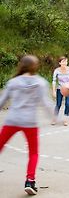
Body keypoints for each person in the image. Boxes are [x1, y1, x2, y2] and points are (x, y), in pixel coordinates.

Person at [0, 55, 54, 195]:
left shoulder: (13, 82)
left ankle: (30, 180)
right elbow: (45, 103)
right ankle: (30, 181)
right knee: (33, 153)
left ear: (21, 65)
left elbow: (2, 101)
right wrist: (56, 117)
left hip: (12, 120)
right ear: (36, 67)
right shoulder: (41, 82)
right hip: (30, 122)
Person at [52, 56, 69, 126]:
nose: (65, 63)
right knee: (58, 104)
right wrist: (53, 91)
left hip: (68, 88)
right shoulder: (56, 70)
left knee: (67, 104)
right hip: (60, 88)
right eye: (63, 61)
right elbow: (54, 81)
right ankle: (54, 118)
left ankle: (65, 119)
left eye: (66, 61)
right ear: (60, 63)